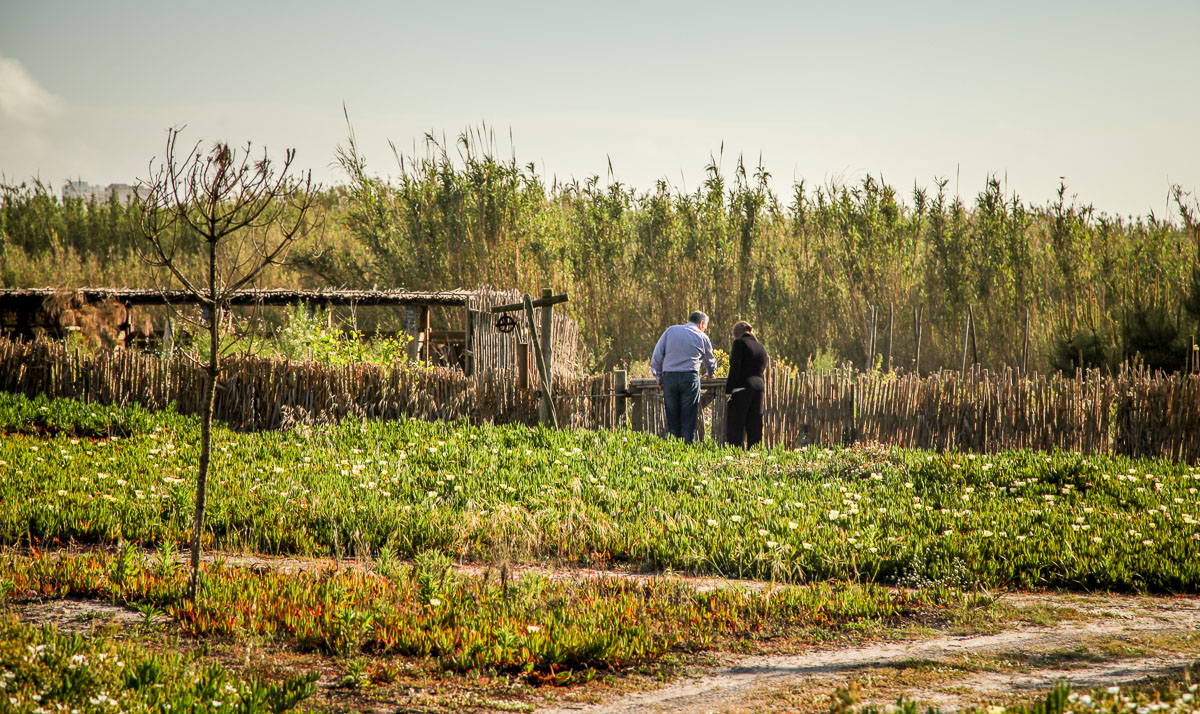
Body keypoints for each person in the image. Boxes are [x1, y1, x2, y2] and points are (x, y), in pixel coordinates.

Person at [650, 311, 717, 443]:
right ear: (701, 323)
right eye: (705, 327)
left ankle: (673, 449)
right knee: (689, 418)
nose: (705, 329)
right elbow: (710, 361)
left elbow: (656, 357)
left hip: (669, 378)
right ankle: (687, 450)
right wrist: (710, 374)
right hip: (689, 378)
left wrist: (659, 378)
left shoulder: (670, 331)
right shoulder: (702, 337)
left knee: (672, 417)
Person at [725, 320, 769, 448]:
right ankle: (755, 456)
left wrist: (729, 389)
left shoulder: (739, 344)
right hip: (759, 388)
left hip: (742, 388)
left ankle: (735, 455)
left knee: (736, 427)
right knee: (754, 426)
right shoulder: (761, 347)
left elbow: (735, 367)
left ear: (736, 334)